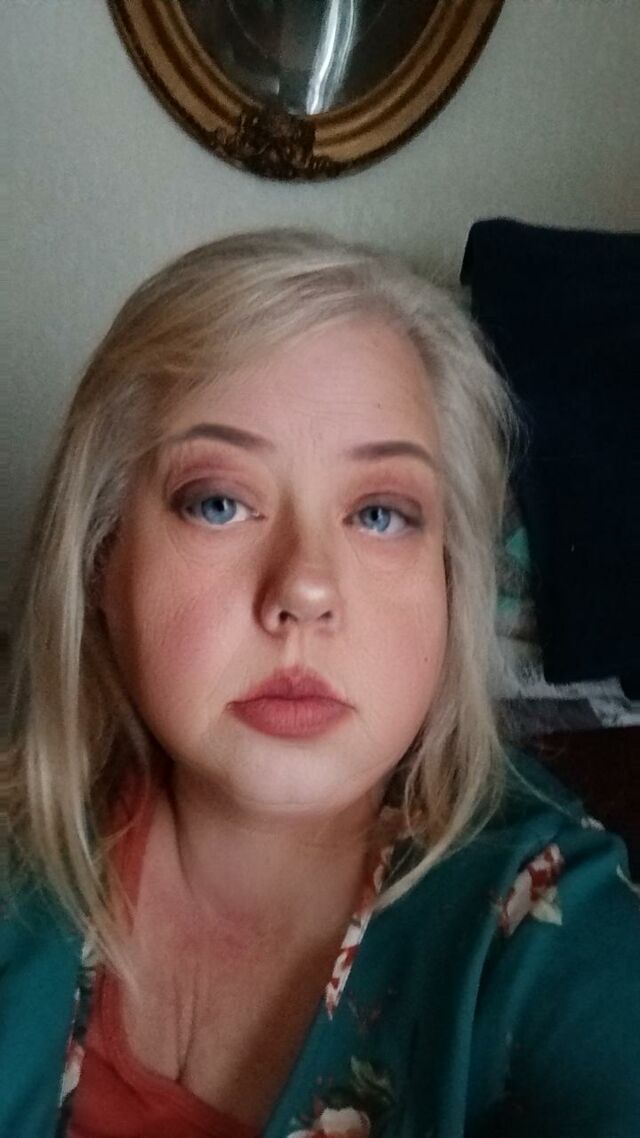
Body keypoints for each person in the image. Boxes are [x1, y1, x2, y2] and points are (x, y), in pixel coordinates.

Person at [2, 229, 638, 1138]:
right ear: (102, 558)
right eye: (219, 501)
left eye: (380, 513)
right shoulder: (19, 857)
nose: (304, 587)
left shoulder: (548, 927)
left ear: (453, 579)